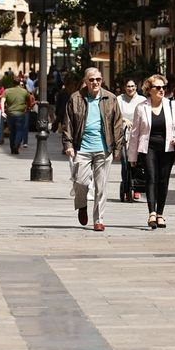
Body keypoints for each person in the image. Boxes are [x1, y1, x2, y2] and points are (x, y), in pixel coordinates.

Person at [62, 67, 124, 232]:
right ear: (85, 81)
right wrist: (68, 145)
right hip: (82, 148)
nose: (95, 82)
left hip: (104, 149)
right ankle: (82, 205)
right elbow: (67, 124)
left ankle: (99, 219)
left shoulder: (110, 98)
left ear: (101, 80)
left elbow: (117, 125)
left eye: (98, 79)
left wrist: (117, 149)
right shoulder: (75, 98)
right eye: (91, 80)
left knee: (101, 186)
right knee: (80, 182)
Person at [128, 74, 175, 228]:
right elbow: (135, 133)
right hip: (148, 148)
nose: (162, 90)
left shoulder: (171, 105)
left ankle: (160, 213)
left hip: (168, 149)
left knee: (163, 181)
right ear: (149, 90)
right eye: (158, 87)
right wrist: (132, 156)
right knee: (151, 178)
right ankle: (151, 213)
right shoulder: (141, 107)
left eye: (163, 87)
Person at [117, 78, 146, 202]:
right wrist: (124, 120)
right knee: (125, 161)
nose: (130, 88)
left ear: (136, 87)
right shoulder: (119, 99)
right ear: (125, 87)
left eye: (133, 86)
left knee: (139, 161)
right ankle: (126, 185)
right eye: (128, 86)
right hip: (124, 134)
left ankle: (138, 184)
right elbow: (116, 114)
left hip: (139, 134)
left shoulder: (142, 100)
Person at [0, 77, 29, 154]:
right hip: (20, 114)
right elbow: (29, 100)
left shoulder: (7, 91)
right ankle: (16, 145)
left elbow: (2, 101)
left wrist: (3, 111)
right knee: (19, 131)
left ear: (12, 83)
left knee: (12, 131)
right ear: (20, 83)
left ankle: (12, 147)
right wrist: (27, 107)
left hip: (10, 114)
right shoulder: (24, 91)